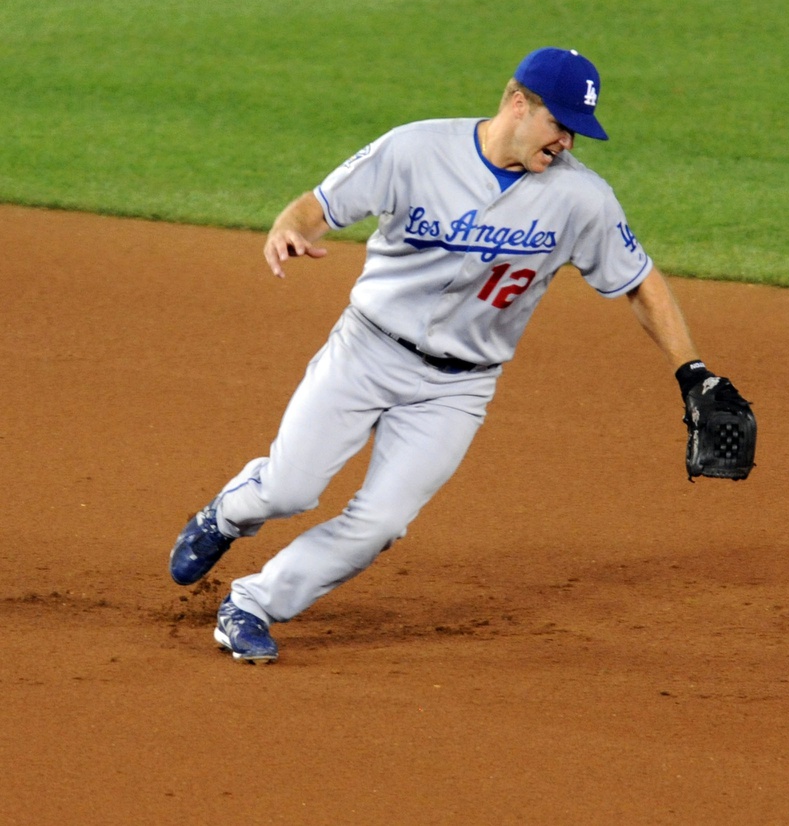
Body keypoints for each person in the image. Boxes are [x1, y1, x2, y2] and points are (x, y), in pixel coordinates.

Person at [169, 46, 741, 663]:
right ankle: (227, 515)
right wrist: (290, 229)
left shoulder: (583, 200)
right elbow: (319, 205)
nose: (567, 144)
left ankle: (252, 604)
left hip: (457, 388)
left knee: (381, 523)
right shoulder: (415, 150)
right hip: (366, 350)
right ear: (518, 104)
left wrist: (693, 372)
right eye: (559, 125)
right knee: (288, 489)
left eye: (577, 132)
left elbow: (640, 281)